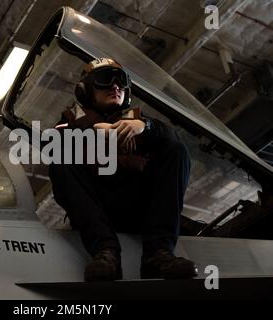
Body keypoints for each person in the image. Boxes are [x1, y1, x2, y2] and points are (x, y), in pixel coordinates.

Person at [48, 58, 198, 281]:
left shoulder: (138, 122)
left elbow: (170, 140)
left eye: (120, 81)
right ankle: (105, 252)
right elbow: (56, 142)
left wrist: (145, 127)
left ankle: (158, 254)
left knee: (176, 149)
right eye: (104, 80)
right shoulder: (70, 122)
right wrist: (93, 131)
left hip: (140, 210)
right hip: (99, 210)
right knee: (60, 161)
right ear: (85, 91)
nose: (115, 86)